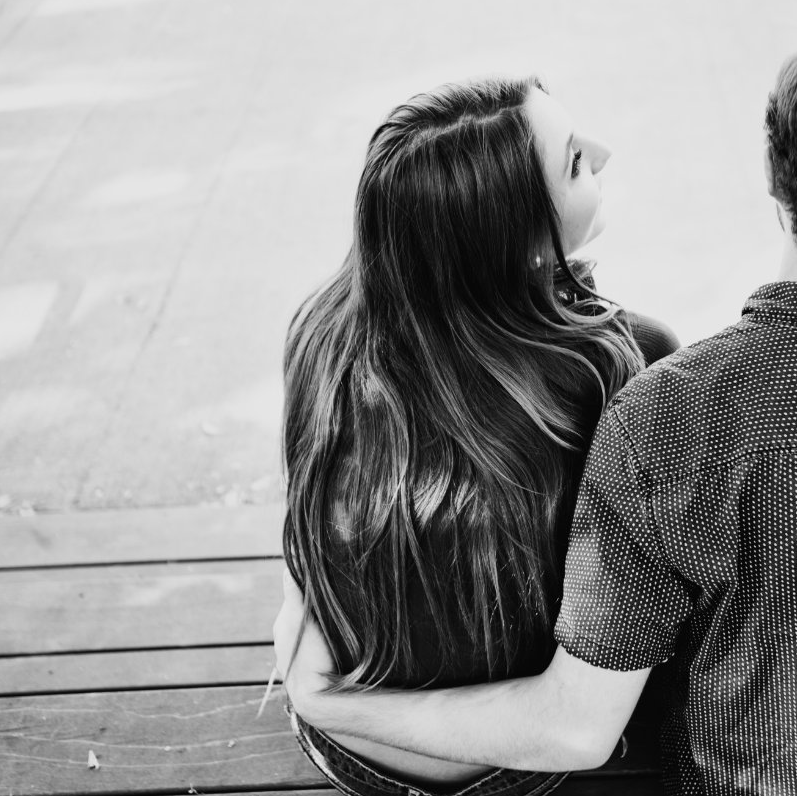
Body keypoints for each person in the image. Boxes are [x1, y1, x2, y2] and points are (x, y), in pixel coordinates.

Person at [276, 0, 797, 796]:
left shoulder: (664, 414)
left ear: (774, 170)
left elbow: (577, 722)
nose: (604, 156)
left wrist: (337, 699)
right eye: (576, 160)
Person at [277, 76, 679, 796]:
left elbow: (306, 539)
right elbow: (581, 721)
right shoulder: (624, 364)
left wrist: (322, 688)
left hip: (347, 750)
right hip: (518, 762)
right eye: (576, 162)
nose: (605, 152)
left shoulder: (323, 333)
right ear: (521, 242)